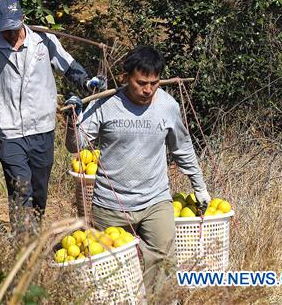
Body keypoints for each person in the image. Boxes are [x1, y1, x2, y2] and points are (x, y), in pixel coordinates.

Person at [65, 45, 210, 301]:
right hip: (110, 205)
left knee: (164, 263)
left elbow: (183, 149)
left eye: (154, 83)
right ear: (125, 77)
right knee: (112, 272)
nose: (148, 90)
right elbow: (75, 145)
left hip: (156, 201)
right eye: (141, 83)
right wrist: (72, 119)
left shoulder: (167, 105)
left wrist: (199, 186)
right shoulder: (105, 103)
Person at [0, 0, 106, 231]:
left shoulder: (44, 40)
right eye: (4, 29)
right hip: (10, 131)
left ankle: (33, 235)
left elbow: (68, 66)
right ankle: (20, 243)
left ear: (23, 20)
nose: (10, 34)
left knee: (39, 191)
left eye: (13, 27)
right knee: (20, 189)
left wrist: (88, 82)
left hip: (42, 129)